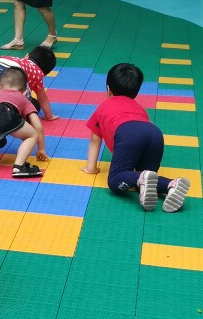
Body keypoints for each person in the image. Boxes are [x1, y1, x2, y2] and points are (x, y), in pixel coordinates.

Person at [82, 63, 192, 212]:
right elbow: (141, 133)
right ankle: (171, 184)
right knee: (143, 182)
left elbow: (95, 141)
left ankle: (142, 178)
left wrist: (91, 168)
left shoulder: (103, 107)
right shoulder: (139, 107)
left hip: (127, 132)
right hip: (154, 134)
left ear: (108, 89)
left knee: (115, 181)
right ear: (136, 92)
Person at [0, 67, 49, 186]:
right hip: (5, 111)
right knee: (32, 135)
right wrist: (41, 149)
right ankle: (19, 166)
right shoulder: (23, 98)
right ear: (25, 92)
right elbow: (38, 125)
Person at [0, 46, 58, 120]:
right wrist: (49, 116)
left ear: (27, 56)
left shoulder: (17, 60)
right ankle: (7, 113)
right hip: (7, 78)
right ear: (45, 73)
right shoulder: (38, 74)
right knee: (32, 104)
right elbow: (43, 100)